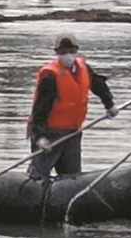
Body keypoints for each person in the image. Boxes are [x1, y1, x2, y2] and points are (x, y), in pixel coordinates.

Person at [27, 34, 116, 180]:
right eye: (63, 52)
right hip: (50, 133)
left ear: (76, 50)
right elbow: (39, 110)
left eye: (71, 51)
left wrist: (109, 104)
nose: (67, 55)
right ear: (57, 52)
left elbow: (98, 84)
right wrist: (40, 137)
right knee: (38, 177)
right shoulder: (50, 76)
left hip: (72, 133)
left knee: (72, 178)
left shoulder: (83, 68)